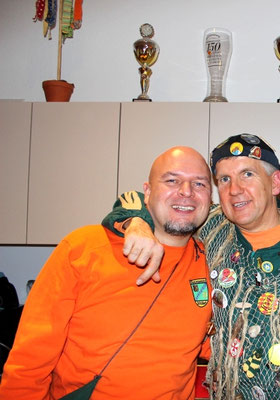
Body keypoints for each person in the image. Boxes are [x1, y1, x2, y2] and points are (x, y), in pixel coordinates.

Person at [103, 133, 280, 399]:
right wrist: (136, 223)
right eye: (224, 179)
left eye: (247, 174)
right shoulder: (210, 229)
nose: (235, 190)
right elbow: (149, 200)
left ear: (275, 183)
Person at [0, 147, 213, 399]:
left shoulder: (211, 265)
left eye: (199, 183)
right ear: (146, 192)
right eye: (172, 180)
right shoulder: (84, 248)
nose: (186, 191)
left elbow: (212, 344)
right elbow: (29, 359)